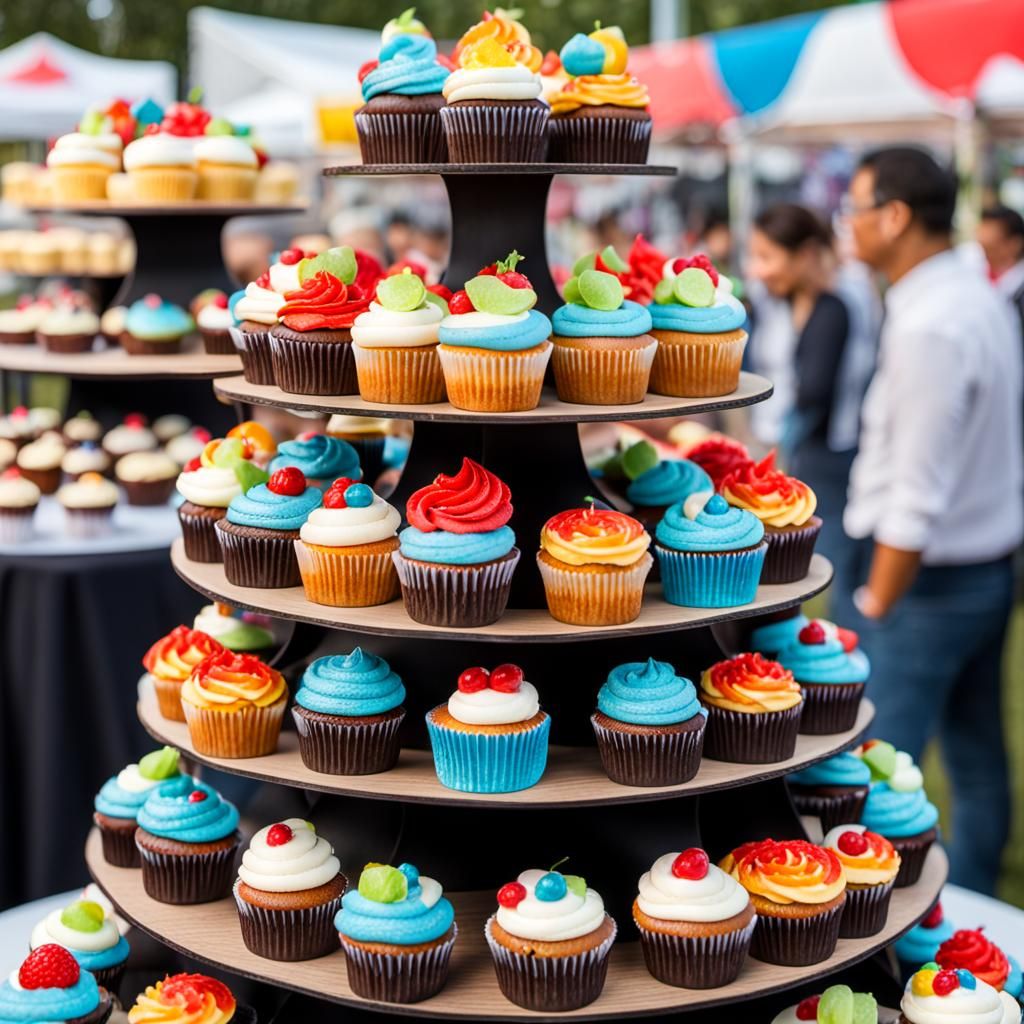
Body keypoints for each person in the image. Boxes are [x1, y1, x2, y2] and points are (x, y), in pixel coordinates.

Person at [842, 147, 1023, 895]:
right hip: (983, 566)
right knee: (977, 753)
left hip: (927, 583)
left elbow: (914, 494)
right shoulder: (969, 296)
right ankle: (974, 899)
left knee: (880, 768)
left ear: (895, 216)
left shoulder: (931, 324)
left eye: (853, 208)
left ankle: (897, 931)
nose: (845, 225)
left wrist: (878, 600)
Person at [745, 204, 877, 609]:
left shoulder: (833, 307)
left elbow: (814, 391)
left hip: (833, 458)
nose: (757, 270)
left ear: (804, 255)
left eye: (767, 257)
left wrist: (778, 452)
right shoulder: (791, 302)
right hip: (814, 451)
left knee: (830, 572)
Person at [976, 204, 1024, 335]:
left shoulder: (1018, 296)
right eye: (982, 247)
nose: (985, 256)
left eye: (991, 248)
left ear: (1015, 244)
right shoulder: (980, 279)